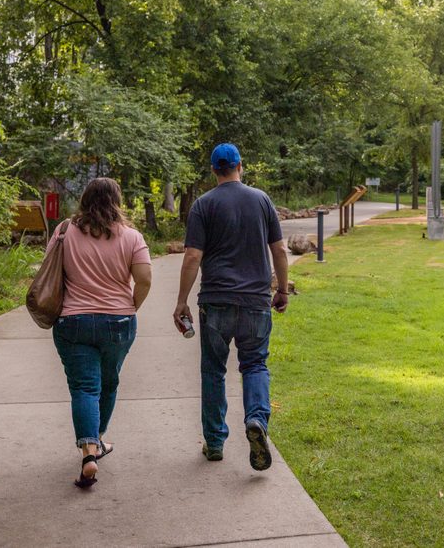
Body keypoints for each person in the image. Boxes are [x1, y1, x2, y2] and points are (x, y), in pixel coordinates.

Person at [172, 143, 289, 471]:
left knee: (213, 370)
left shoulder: (203, 205)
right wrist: (281, 289)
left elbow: (193, 256)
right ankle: (256, 420)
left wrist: (181, 301)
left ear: (213, 170)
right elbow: (279, 249)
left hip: (216, 302)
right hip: (255, 302)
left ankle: (215, 442)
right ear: (241, 165)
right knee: (254, 365)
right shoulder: (261, 200)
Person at [47, 177, 152, 488]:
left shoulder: (65, 231)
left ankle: (89, 453)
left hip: (73, 322)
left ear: (85, 200)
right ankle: (98, 439)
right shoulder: (132, 237)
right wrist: (130, 305)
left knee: (84, 388)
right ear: (116, 201)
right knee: (108, 383)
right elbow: (144, 279)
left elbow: (50, 267)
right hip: (118, 323)